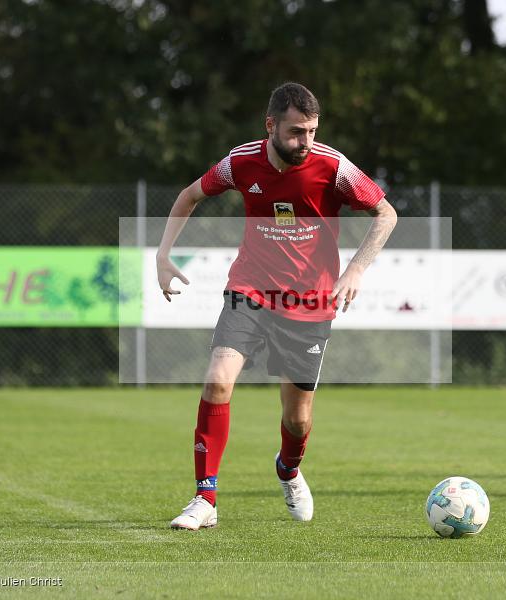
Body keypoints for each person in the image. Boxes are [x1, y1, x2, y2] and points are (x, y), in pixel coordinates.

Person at [156, 82, 398, 529]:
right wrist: (163, 254)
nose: (305, 142)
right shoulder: (240, 162)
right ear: (270, 126)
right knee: (216, 381)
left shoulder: (334, 168)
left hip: (309, 303)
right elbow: (190, 195)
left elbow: (387, 213)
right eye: (295, 132)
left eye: (311, 131)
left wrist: (356, 270)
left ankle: (288, 468)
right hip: (249, 290)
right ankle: (205, 500)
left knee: (297, 417)